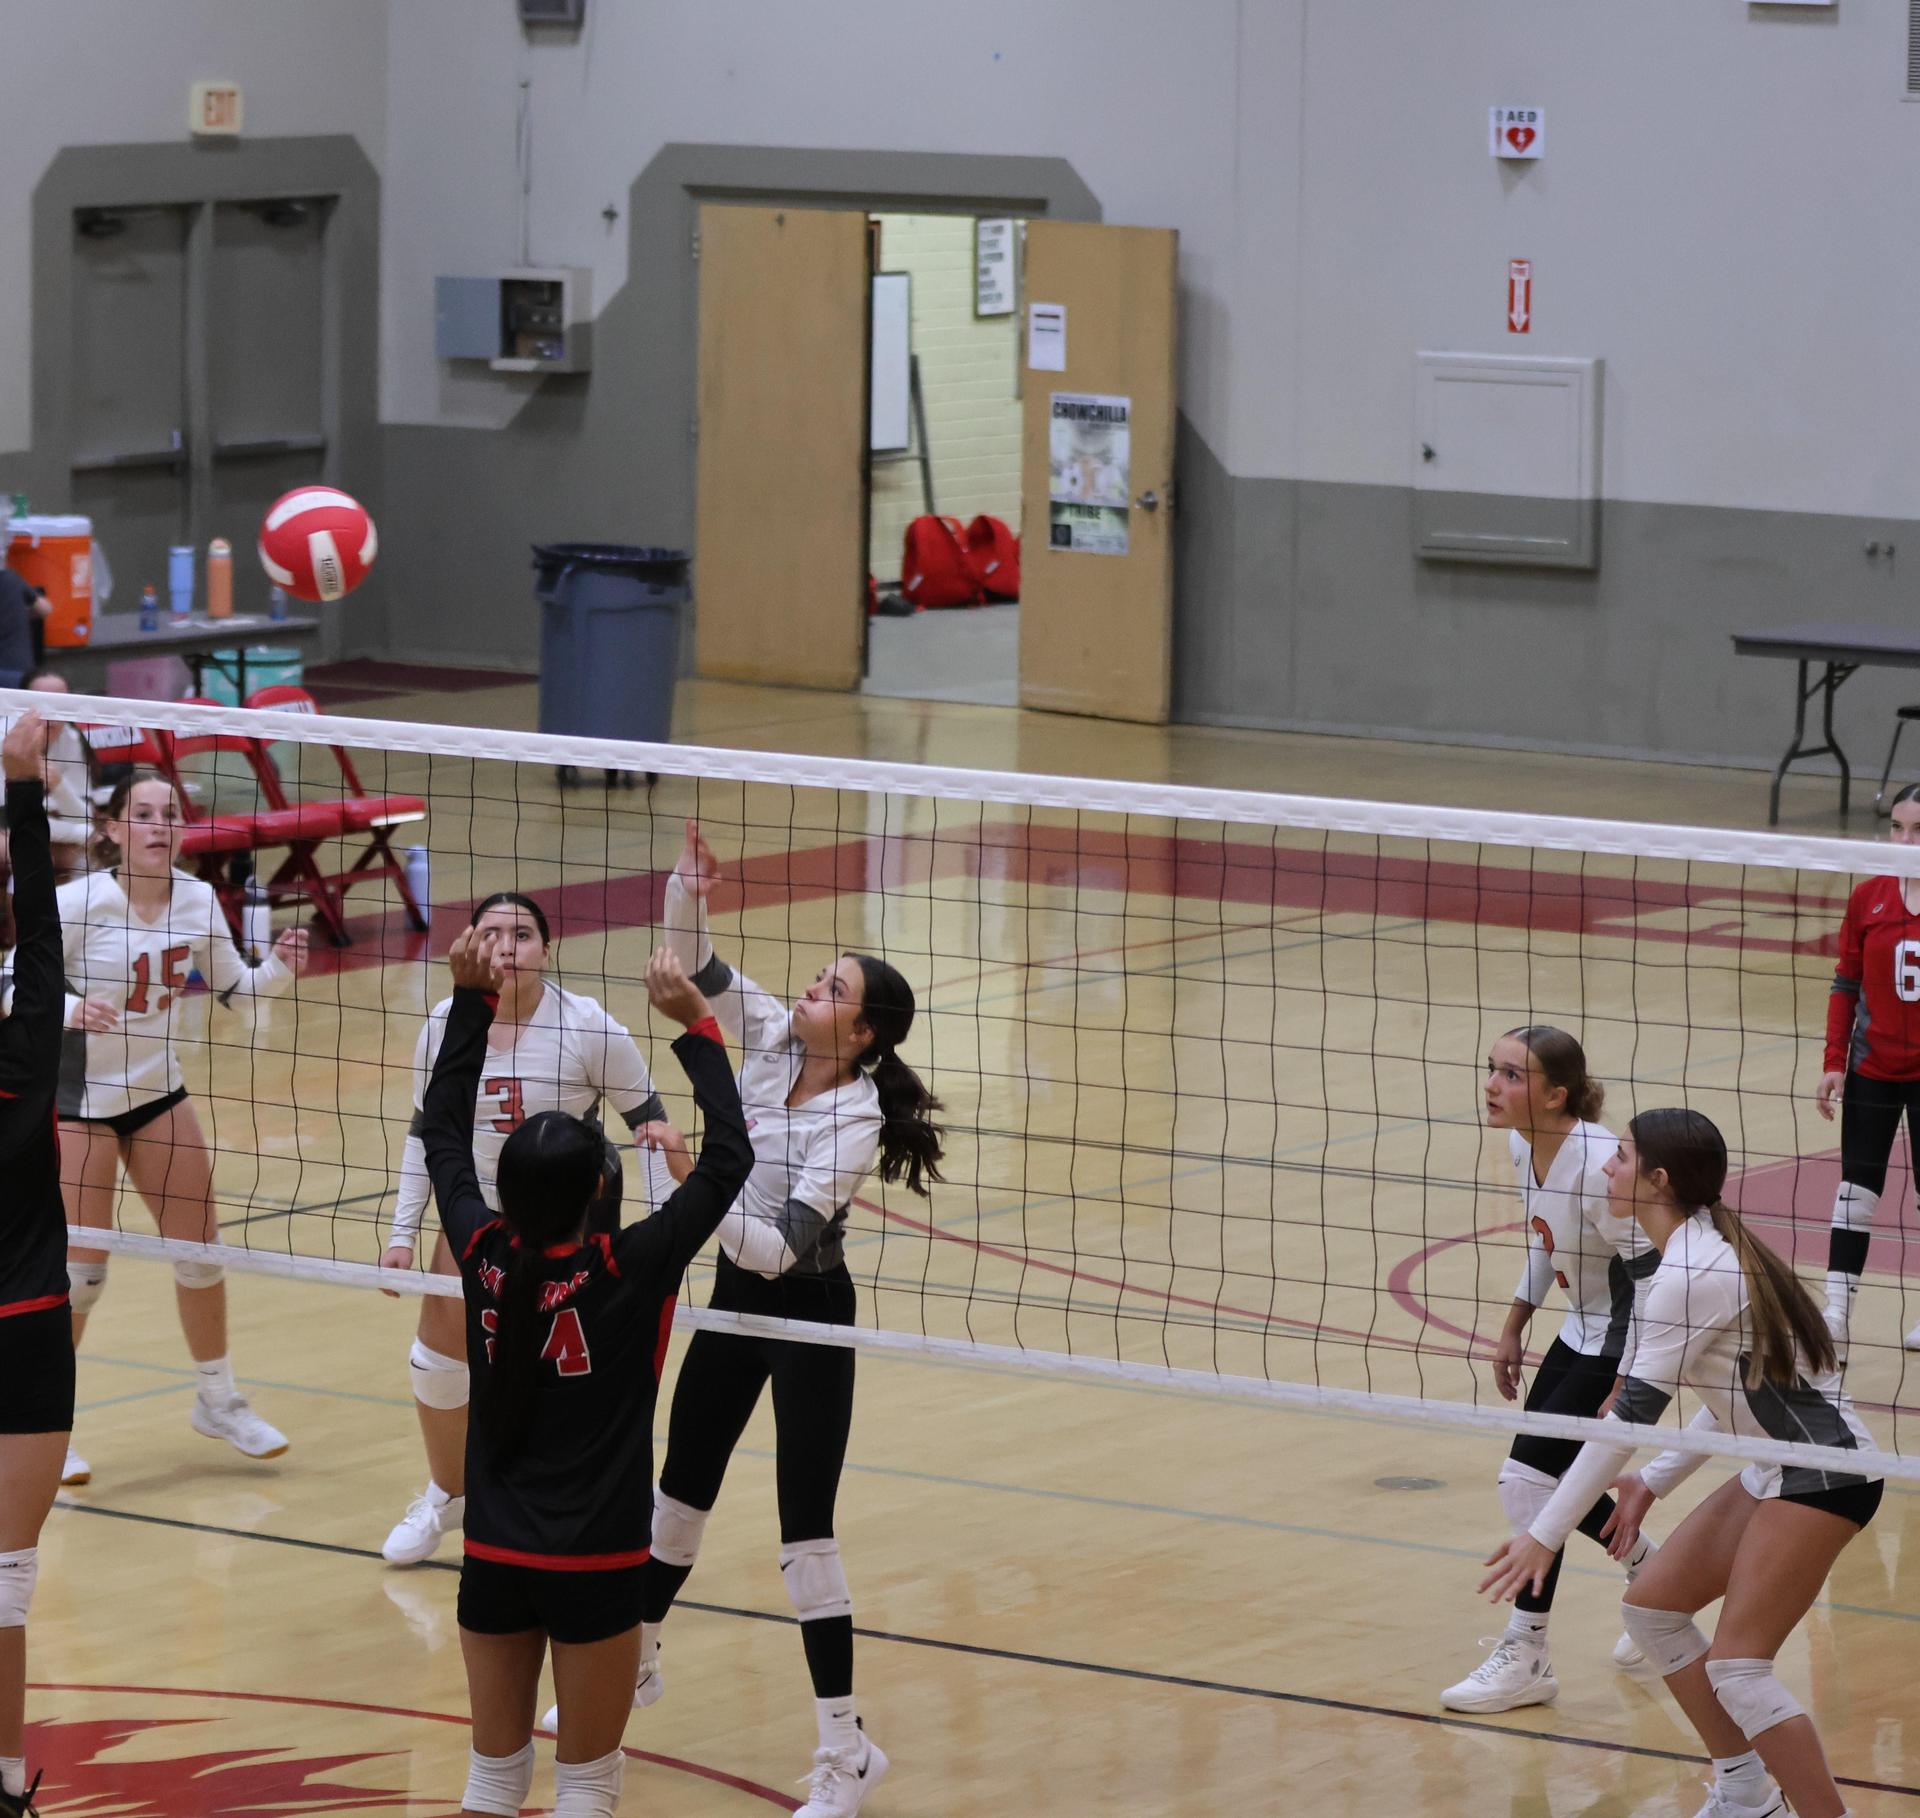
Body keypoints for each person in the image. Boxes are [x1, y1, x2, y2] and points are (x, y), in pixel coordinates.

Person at [603, 819, 945, 1818]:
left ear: (867, 1034)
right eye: (819, 978)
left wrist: (701, 1188)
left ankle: (845, 1754)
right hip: (738, 1298)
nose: (812, 993)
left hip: (807, 1312)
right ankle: (639, 1659)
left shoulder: (855, 1117)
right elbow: (692, 966)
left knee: (805, 1537)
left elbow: (781, 1248)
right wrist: (685, 883)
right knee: (679, 1493)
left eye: (835, 991)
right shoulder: (770, 1040)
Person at [421, 927, 751, 1818]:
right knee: (588, 1783)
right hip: (599, 1558)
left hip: (493, 1552)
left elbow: (443, 1134)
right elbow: (729, 1161)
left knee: (491, 1777)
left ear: (511, 1195)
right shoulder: (628, 1268)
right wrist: (699, 1028)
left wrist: (468, 1004)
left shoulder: (480, 1250)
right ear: (595, 1193)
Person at [1482, 1108, 1882, 1818]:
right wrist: (1650, 1481)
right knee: (1654, 1611)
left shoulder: (1693, 1270)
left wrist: (1544, 1533)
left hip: (1826, 1474)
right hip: (1776, 1466)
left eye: (1624, 1157)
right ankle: (1745, 1791)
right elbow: (1726, 1399)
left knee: (1739, 1667)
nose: (1608, 1164)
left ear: (1657, 1180)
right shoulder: (1688, 1257)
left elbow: (1623, 1427)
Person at [378, 891, 677, 1566]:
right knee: (436, 1365)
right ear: (469, 950)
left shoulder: (589, 1027)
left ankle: (582, 1502)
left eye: (522, 935)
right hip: (473, 1217)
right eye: (491, 935)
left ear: (548, 949)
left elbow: (651, 1125)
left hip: (568, 1233)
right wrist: (401, 1235)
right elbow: (425, 1133)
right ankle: (448, 1496)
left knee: (567, 1380)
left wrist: (659, 1239)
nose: (506, 948)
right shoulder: (445, 1023)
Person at [58, 768, 307, 1485]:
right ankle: (47, 1418)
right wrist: (69, 1010)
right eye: (142, 814)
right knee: (81, 1276)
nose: (159, 826)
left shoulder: (198, 900)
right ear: (113, 830)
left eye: (170, 814)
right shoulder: (77, 902)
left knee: (201, 1254)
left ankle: (218, 1399)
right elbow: (11, 981)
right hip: (80, 1103)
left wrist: (281, 968)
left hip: (157, 1093)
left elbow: (236, 989)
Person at [1439, 1026, 1660, 1713]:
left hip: (1624, 1338)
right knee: (1545, 1478)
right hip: (1580, 1328)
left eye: (1511, 1075)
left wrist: (1629, 1377)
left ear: (1557, 1094)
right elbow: (1547, 1239)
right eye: (1492, 1070)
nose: (1492, 1085)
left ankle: (1528, 1649)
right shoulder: (1521, 1145)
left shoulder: (1599, 1166)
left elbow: (1650, 1276)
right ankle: (1657, 1580)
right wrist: (1513, 1323)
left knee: (1527, 1480)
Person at [0, 712, 71, 1817]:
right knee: (7, 1574)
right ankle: (8, 1777)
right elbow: (46, 940)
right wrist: (23, 787)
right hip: (27, 1321)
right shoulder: (27, 1049)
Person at [1814, 781, 1920, 1356]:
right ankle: (1836, 1313)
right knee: (1855, 1192)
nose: (1905, 840)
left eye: (1919, 831)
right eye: (1897, 828)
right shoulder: (1869, 897)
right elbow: (1845, 983)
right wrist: (1834, 1062)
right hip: (1873, 1068)